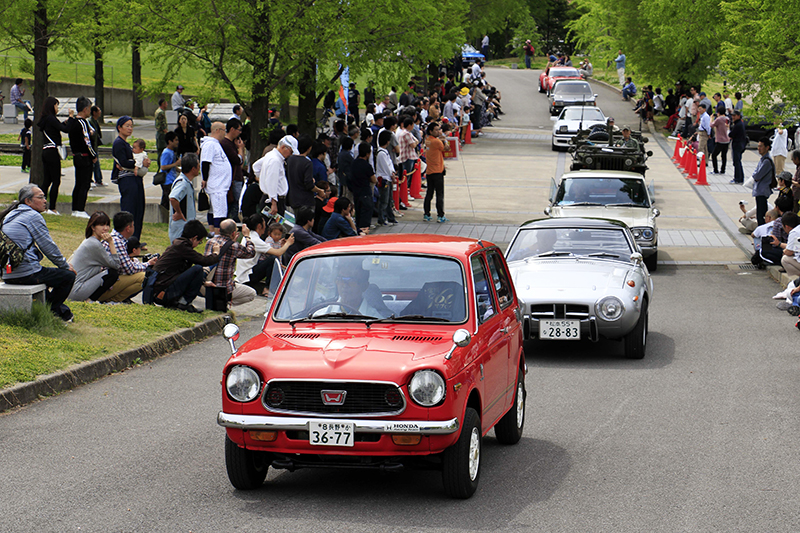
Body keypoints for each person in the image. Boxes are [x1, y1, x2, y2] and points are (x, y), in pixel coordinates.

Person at [0, 185, 76, 321]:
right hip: (26, 274)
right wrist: (65, 265)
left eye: (44, 197)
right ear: (28, 201)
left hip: (8, 274)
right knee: (68, 277)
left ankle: (61, 312)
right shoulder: (32, 216)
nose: (45, 200)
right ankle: (51, 312)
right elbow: (48, 247)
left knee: (47, 283)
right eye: (40, 197)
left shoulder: (11, 215)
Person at [151, 220, 221, 312]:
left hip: (160, 291)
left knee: (195, 270)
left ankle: (178, 302)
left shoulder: (179, 245)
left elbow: (184, 273)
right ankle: (184, 303)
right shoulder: (182, 247)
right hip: (163, 292)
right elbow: (204, 260)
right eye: (199, 242)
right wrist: (216, 253)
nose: (197, 245)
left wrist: (203, 282)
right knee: (198, 269)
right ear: (194, 238)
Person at [102, 211, 158, 302]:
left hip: (106, 280)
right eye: (133, 225)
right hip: (107, 283)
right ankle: (113, 300)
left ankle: (113, 300)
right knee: (144, 277)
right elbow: (129, 269)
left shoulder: (116, 238)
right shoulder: (117, 242)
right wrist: (148, 264)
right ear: (128, 228)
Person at [67, 211, 121, 302]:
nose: (105, 228)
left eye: (107, 225)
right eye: (101, 225)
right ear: (93, 227)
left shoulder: (89, 240)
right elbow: (116, 265)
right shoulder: (94, 244)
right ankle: (91, 300)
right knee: (112, 274)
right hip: (77, 290)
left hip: (71, 289)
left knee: (105, 271)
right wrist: (111, 242)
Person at [235, 216, 294, 296]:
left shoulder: (250, 236)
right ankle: (268, 289)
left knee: (272, 259)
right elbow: (278, 253)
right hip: (246, 277)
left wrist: (282, 245)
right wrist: (288, 243)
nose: (265, 226)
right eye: (264, 224)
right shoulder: (255, 239)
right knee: (273, 259)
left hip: (246, 273)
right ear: (259, 226)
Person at [204, 218, 256, 306]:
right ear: (233, 233)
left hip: (206, 286)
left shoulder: (210, 241)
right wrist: (247, 236)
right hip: (223, 288)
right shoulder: (234, 246)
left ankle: (219, 301)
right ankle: (226, 302)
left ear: (219, 230)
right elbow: (251, 253)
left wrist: (232, 241)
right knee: (251, 294)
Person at [112, 116, 148, 240]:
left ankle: (135, 239)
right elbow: (122, 162)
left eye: (131, 126)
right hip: (127, 179)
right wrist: (139, 164)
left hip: (135, 178)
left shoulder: (127, 144)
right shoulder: (118, 143)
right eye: (127, 126)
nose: (130, 128)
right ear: (119, 127)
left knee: (139, 208)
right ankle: (125, 238)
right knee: (129, 209)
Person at [317, 258, 391, 318]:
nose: (344, 285)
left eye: (351, 280)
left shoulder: (376, 320)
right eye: (340, 279)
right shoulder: (320, 317)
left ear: (364, 286)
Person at [38, 96, 74, 215]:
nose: (57, 108)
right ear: (52, 106)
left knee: (46, 181)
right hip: (52, 152)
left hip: (45, 150)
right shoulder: (51, 118)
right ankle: (52, 208)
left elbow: (58, 127)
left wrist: (65, 122)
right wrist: (71, 117)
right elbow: (66, 130)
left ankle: (41, 206)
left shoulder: (45, 119)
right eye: (56, 105)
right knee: (56, 181)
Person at [66, 97, 98, 220]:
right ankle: (80, 208)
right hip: (84, 157)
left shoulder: (73, 122)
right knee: (84, 184)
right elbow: (86, 141)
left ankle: (75, 208)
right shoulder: (82, 123)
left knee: (78, 183)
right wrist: (93, 155)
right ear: (85, 109)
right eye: (89, 109)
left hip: (76, 156)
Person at [200, 121, 230, 231]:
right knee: (219, 212)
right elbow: (205, 163)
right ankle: (217, 233)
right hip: (217, 185)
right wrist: (204, 179)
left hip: (220, 184)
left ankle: (213, 232)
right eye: (224, 131)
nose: (225, 133)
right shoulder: (210, 144)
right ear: (217, 131)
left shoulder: (215, 144)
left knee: (214, 210)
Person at [258, 135, 297, 216]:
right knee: (273, 227)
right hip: (274, 200)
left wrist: (262, 178)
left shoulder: (270, 155)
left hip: (269, 198)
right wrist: (274, 203)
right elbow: (272, 182)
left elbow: (256, 166)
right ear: (283, 147)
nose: (291, 154)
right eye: (291, 151)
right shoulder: (275, 160)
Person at [219, 118, 246, 220]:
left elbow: (241, 162)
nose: (239, 132)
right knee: (235, 204)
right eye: (238, 130)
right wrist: (240, 148)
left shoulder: (232, 144)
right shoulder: (226, 144)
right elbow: (238, 160)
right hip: (233, 179)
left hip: (236, 177)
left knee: (236, 203)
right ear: (232, 129)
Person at [168, 153, 199, 243]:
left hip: (186, 226)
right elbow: (173, 198)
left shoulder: (187, 182)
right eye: (198, 166)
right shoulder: (182, 183)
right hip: (181, 227)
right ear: (193, 169)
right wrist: (178, 212)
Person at [287, 135, 323, 211]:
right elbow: (308, 184)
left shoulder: (290, 159)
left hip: (292, 198)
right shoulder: (307, 163)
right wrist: (319, 191)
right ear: (309, 148)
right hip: (305, 200)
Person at [424, 122, 447, 223]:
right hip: (437, 171)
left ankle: (426, 214)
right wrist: (444, 140)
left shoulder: (428, 140)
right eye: (436, 130)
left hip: (429, 171)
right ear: (430, 131)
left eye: (438, 129)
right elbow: (446, 148)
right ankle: (440, 215)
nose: (438, 131)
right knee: (439, 194)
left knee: (429, 193)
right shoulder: (437, 142)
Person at [375, 130, 398, 226]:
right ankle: (382, 218)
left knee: (389, 200)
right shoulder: (381, 153)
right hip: (384, 179)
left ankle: (390, 217)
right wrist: (392, 174)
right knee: (384, 201)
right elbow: (386, 167)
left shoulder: (384, 152)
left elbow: (390, 165)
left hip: (387, 178)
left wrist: (392, 173)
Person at [751, 137, 776, 226]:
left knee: (761, 215)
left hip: (762, 190)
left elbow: (757, 175)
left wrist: (755, 175)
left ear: (767, 147)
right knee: (760, 213)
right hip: (759, 190)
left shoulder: (766, 161)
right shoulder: (763, 159)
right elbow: (756, 173)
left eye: (761, 146)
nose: (759, 148)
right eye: (758, 146)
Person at [772, 212, 800, 278]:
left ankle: (796, 278)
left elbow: (789, 252)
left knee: (785, 259)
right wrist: (779, 244)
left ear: (786, 226)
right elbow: (795, 247)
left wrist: (784, 251)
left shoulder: (794, 232)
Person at [159, 132, 181, 210]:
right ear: (169, 141)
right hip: (167, 180)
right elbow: (163, 167)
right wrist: (176, 163)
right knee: (166, 201)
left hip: (171, 179)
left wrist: (179, 170)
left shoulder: (171, 152)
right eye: (175, 140)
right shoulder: (166, 153)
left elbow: (172, 165)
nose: (177, 142)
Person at [729, 110, 747, 184]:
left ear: (738, 116)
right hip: (740, 144)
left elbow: (731, 134)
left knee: (737, 162)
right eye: (732, 115)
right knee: (737, 161)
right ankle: (740, 177)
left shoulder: (738, 125)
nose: (733, 117)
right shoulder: (739, 123)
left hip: (738, 144)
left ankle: (738, 178)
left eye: (734, 115)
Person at [88, 106, 104, 187]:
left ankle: (98, 180)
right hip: (92, 146)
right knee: (93, 163)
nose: (100, 112)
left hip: (95, 146)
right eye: (99, 110)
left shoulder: (95, 121)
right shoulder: (90, 121)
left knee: (96, 163)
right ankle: (93, 180)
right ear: (94, 112)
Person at [154, 98, 169, 167]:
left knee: (160, 150)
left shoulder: (157, 111)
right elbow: (162, 124)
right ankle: (161, 165)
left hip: (158, 133)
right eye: (166, 103)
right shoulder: (161, 112)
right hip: (161, 134)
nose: (167, 105)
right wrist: (166, 132)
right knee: (162, 150)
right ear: (163, 104)